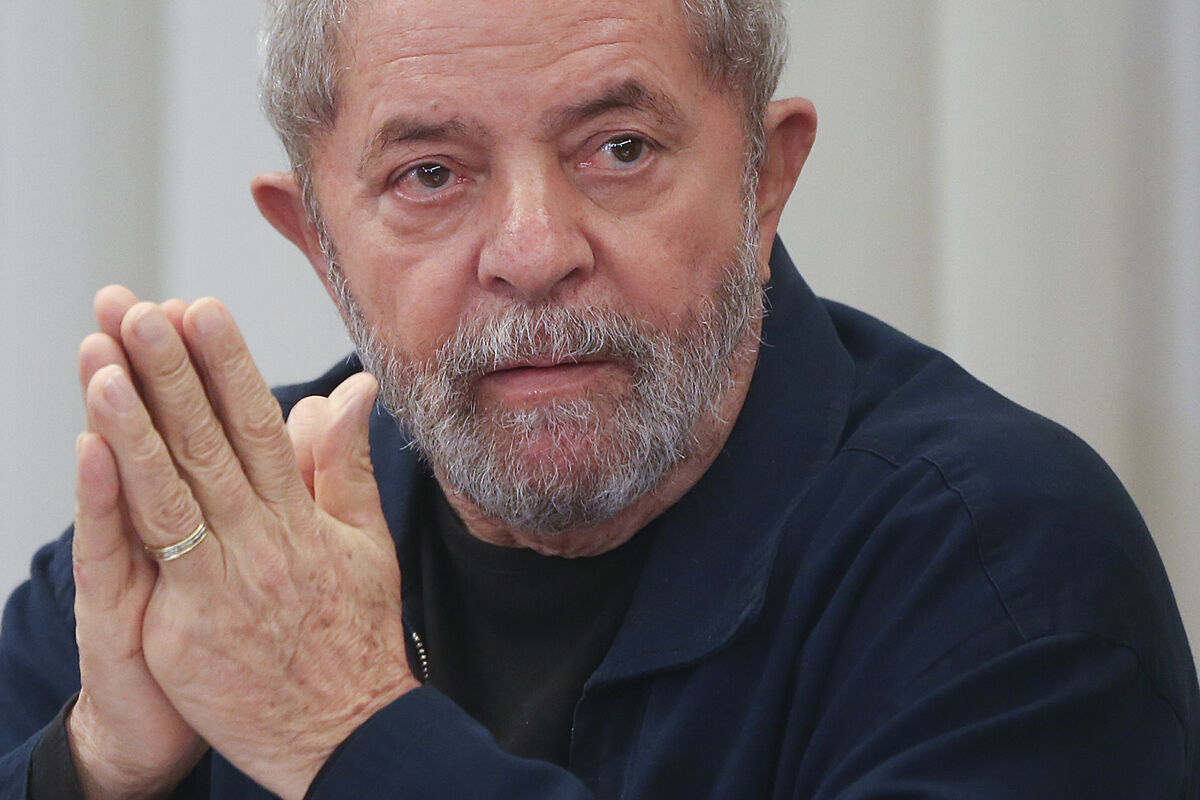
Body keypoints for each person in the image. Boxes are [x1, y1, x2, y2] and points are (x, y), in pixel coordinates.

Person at [1, 0, 1197, 796]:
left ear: (765, 181)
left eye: (618, 148)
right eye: (431, 173)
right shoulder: (216, 545)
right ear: (317, 243)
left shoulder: (1006, 570)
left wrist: (346, 731)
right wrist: (95, 765)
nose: (533, 251)